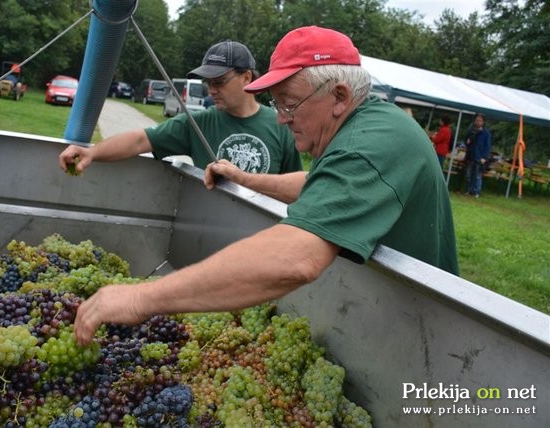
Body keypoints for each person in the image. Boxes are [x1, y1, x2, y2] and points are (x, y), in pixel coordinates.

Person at [73, 26, 459, 345]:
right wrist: (244, 178)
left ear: (339, 96)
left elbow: (296, 259)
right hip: (393, 316)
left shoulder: (367, 146)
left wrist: (141, 297)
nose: (281, 119)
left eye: (288, 104)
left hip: (418, 331)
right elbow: (319, 184)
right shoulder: (371, 125)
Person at [58, 40, 301, 175]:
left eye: (219, 82)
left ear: (246, 77)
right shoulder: (198, 123)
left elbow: (293, 187)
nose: (211, 90)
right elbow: (139, 141)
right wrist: (91, 153)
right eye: (208, 83)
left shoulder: (280, 125)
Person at [463, 113, 492, 197]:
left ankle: (476, 191)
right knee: (468, 175)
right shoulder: (471, 130)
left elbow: (487, 146)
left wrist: (484, 157)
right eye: (476, 120)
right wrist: (467, 142)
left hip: (479, 157)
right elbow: (466, 141)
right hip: (470, 155)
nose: (478, 122)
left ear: (483, 122)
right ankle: (469, 190)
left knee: (477, 176)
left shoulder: (486, 133)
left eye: (480, 121)